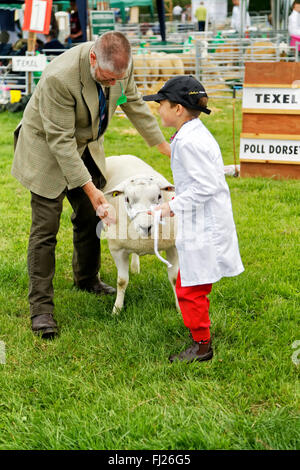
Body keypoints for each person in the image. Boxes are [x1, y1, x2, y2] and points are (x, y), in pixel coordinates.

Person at [12, 32, 171, 339]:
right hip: (46, 147)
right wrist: (91, 188)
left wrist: (162, 145)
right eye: (107, 79)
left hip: (86, 146)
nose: (113, 85)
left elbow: (134, 101)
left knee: (90, 216)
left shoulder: (121, 65)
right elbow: (61, 143)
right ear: (93, 58)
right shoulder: (60, 77)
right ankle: (41, 309)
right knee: (45, 229)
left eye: (117, 79)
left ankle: (87, 278)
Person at [143, 76, 244, 363]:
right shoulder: (193, 133)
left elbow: (205, 187)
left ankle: (202, 346)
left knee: (189, 287)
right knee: (195, 280)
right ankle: (201, 333)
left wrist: (169, 207)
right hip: (203, 219)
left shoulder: (188, 142)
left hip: (204, 225)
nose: (158, 109)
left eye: (161, 104)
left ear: (178, 109)